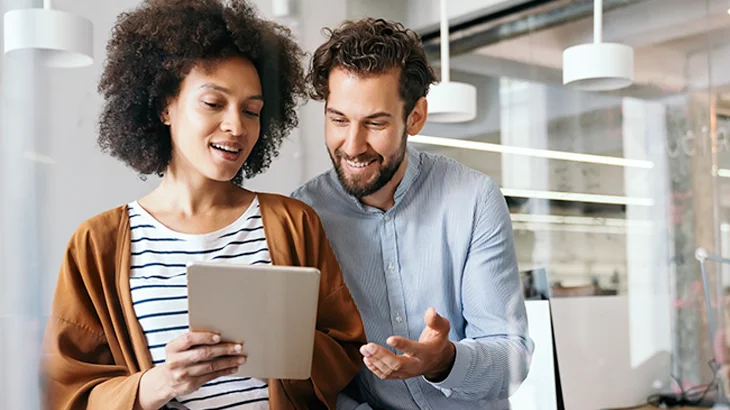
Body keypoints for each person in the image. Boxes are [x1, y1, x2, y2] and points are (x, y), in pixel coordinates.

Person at [40, 1, 365, 409]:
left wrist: (285, 343)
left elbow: (346, 347)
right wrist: (157, 383)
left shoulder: (292, 222)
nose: (236, 126)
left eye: (252, 111)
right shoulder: (96, 245)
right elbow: (65, 390)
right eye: (213, 104)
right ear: (164, 107)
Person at [292, 18, 533, 410]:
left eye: (375, 123)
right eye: (338, 119)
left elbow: (513, 361)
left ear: (415, 117)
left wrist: (444, 362)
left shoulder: (473, 199)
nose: (352, 145)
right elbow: (312, 372)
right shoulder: (303, 216)